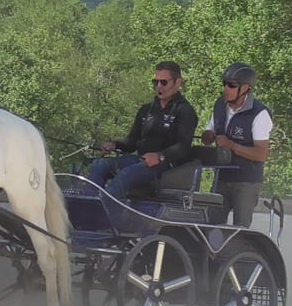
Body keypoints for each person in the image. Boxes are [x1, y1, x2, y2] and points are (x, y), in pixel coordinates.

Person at [88, 61, 198, 200]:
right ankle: (89, 203)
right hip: (140, 160)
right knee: (99, 164)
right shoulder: (147, 110)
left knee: (127, 174)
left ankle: (105, 205)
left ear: (178, 83)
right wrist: (115, 144)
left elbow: (183, 147)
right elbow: (132, 141)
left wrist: (159, 156)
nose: (158, 86)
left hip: (167, 166)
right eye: (155, 82)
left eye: (164, 82)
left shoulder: (185, 111)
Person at [201, 62, 272, 228]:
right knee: (212, 226)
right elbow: (208, 133)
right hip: (222, 176)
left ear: (246, 88)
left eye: (232, 85)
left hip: (246, 181)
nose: (226, 88)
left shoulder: (259, 113)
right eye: (224, 83)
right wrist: (208, 136)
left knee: (239, 229)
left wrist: (232, 145)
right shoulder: (220, 105)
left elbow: (261, 154)